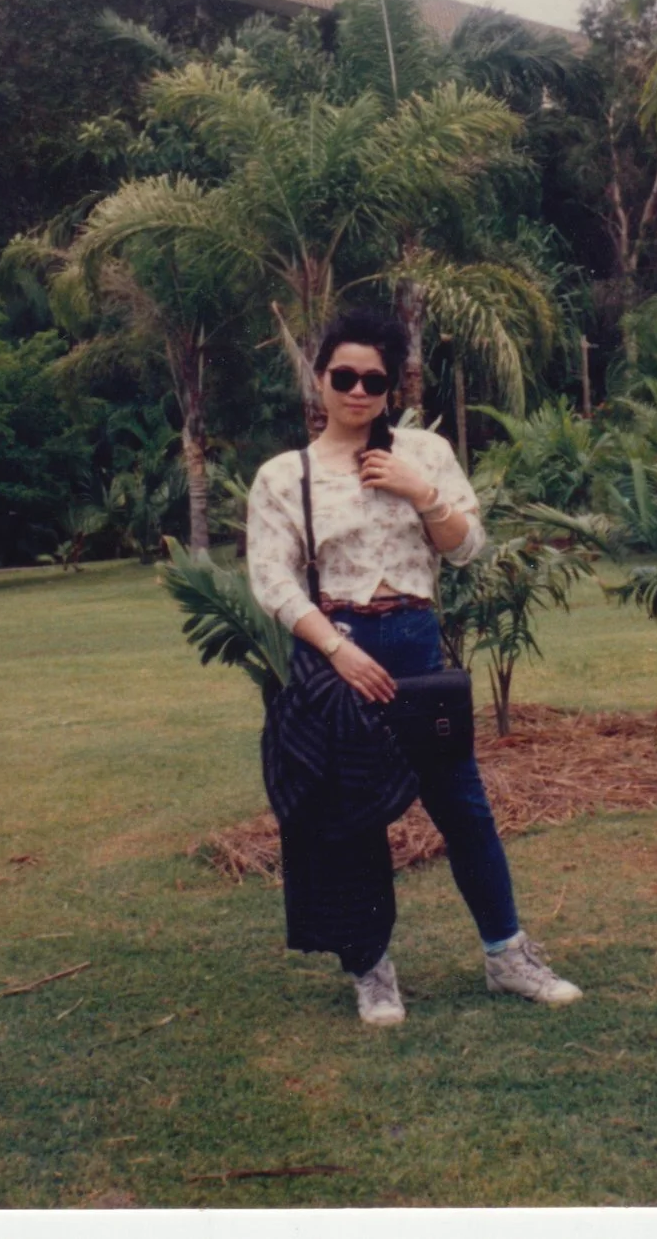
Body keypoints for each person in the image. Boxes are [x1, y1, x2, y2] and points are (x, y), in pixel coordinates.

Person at [246, 309, 581, 1026]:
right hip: (335, 646)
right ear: (320, 380)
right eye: (345, 377)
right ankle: (371, 970)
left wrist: (417, 491)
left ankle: (507, 955)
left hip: (415, 644)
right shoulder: (285, 475)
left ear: (391, 387)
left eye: (374, 380)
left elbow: (465, 548)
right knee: (354, 815)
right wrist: (337, 650)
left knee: (462, 804)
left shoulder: (425, 453)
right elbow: (271, 580)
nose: (358, 391)